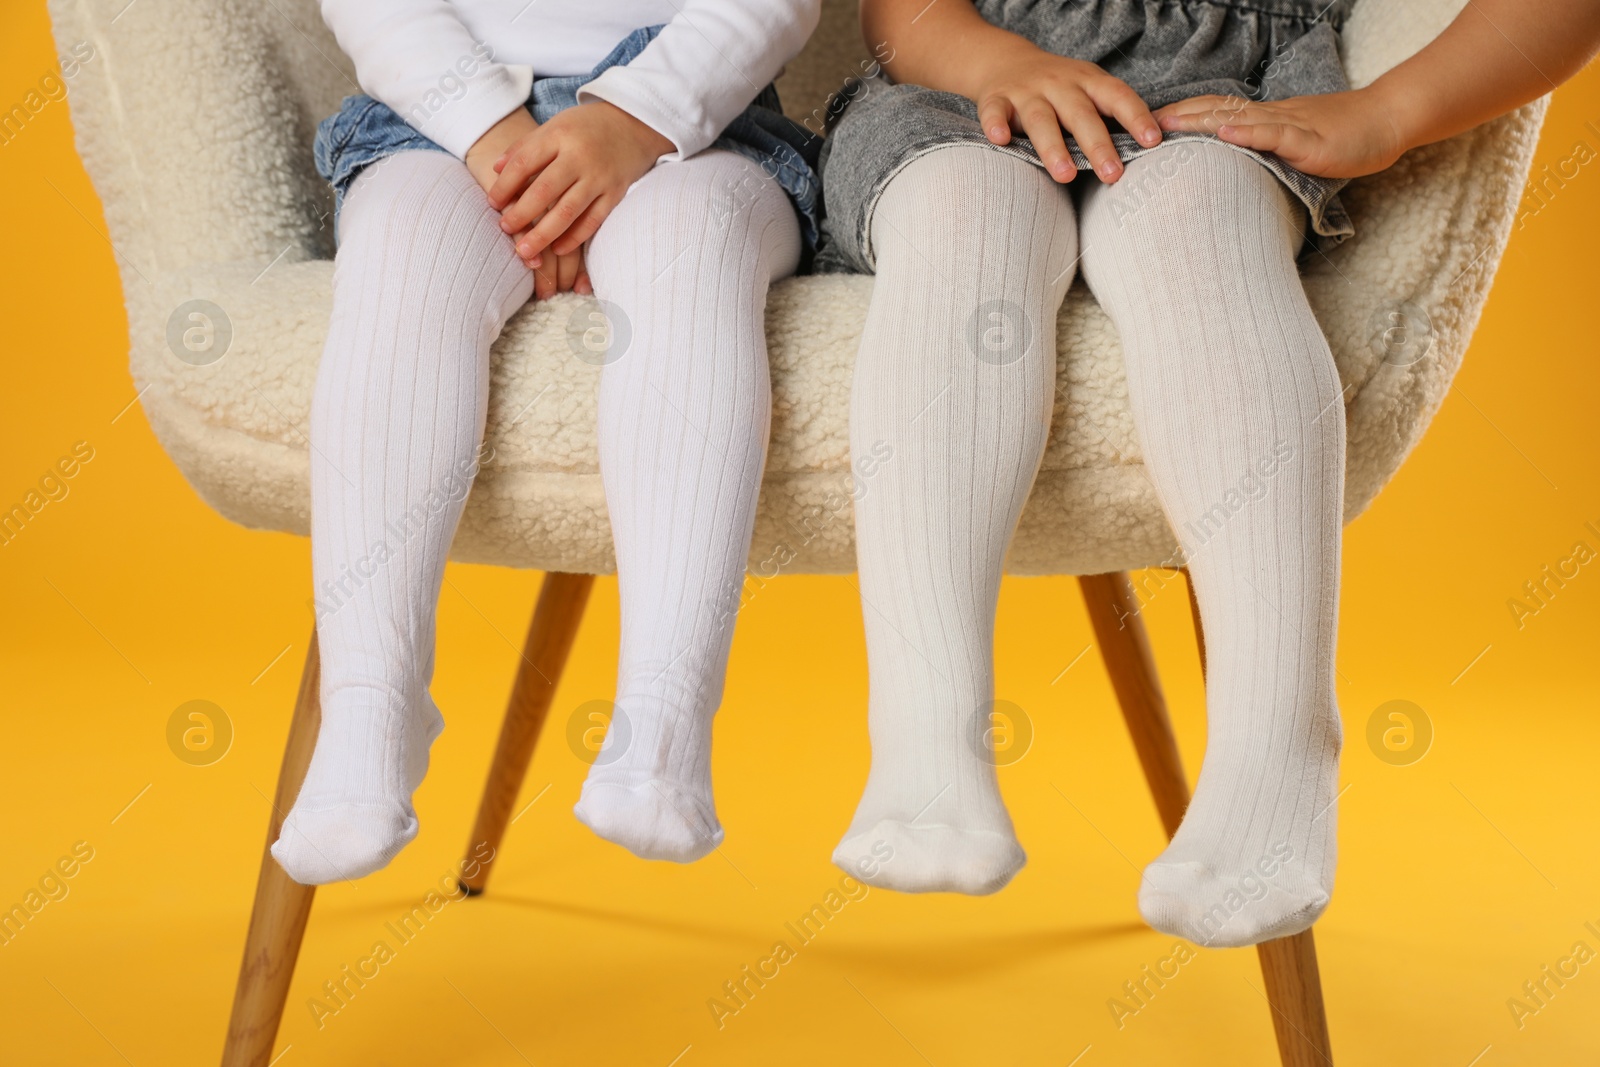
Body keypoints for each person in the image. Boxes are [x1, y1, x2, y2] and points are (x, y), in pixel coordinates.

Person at [821, 0, 1600, 947]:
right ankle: (925, 737)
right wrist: (987, 57)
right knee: (962, 219)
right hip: (966, 84)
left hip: (1229, 77)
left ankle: (1277, 751)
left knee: (1199, 222)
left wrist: (1392, 109)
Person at [270, 0, 823, 885]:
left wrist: (632, 120)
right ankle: (371, 702)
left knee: (693, 262)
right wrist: (495, 142)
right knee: (399, 273)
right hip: (449, 121)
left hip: (692, 124)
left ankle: (665, 711)